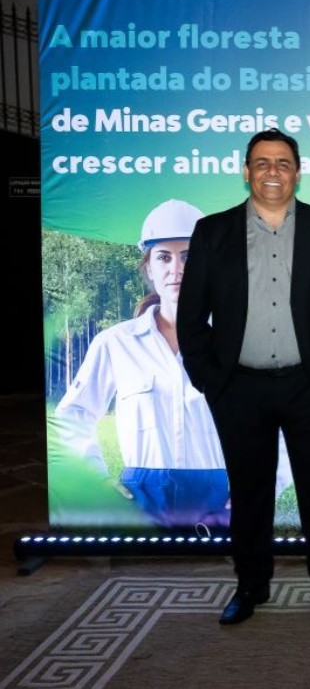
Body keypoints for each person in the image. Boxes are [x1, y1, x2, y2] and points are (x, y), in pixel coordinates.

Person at [177, 128, 310, 626]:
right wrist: (209, 378)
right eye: (261, 162)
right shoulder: (212, 232)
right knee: (248, 491)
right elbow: (192, 316)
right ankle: (250, 585)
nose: (272, 171)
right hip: (239, 388)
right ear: (245, 171)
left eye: (282, 163)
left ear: (297, 172)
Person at [54, 199, 232, 529]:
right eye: (164, 257)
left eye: (189, 257)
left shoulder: (238, 342)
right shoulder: (115, 343)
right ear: (149, 268)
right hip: (142, 499)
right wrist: (99, 480)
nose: (176, 269)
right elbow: (73, 415)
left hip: (221, 499)